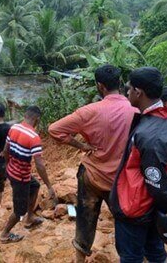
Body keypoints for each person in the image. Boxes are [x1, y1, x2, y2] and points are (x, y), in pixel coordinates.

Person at [48, 64, 136, 261]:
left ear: (100, 86)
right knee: (124, 221)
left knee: (85, 219)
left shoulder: (89, 111)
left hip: (92, 175)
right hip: (120, 179)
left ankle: (80, 259)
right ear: (120, 83)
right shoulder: (135, 110)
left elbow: (54, 129)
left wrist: (80, 145)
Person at [109, 67, 167, 263]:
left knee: (131, 257)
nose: (126, 93)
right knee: (155, 250)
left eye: (128, 89)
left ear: (138, 92)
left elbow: (156, 181)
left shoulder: (149, 134)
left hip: (137, 206)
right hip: (155, 206)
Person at [0, 106, 56, 244]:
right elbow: (40, 165)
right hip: (20, 177)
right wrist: (49, 186)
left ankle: (30, 218)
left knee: (35, 186)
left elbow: (5, 150)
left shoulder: (14, 128)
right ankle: (5, 234)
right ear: (36, 119)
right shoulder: (33, 137)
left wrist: (8, 166)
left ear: (25, 115)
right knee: (19, 211)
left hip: (13, 171)